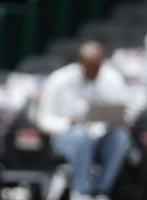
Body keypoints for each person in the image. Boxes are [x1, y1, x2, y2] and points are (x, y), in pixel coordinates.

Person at [36, 41, 132, 200]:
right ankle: (82, 191)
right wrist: (68, 123)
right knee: (81, 135)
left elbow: (125, 111)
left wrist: (123, 121)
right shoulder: (59, 79)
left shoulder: (112, 78)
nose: (94, 72)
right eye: (90, 67)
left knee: (120, 136)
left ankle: (102, 191)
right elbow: (43, 119)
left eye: (97, 67)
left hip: (102, 136)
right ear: (81, 63)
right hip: (67, 137)